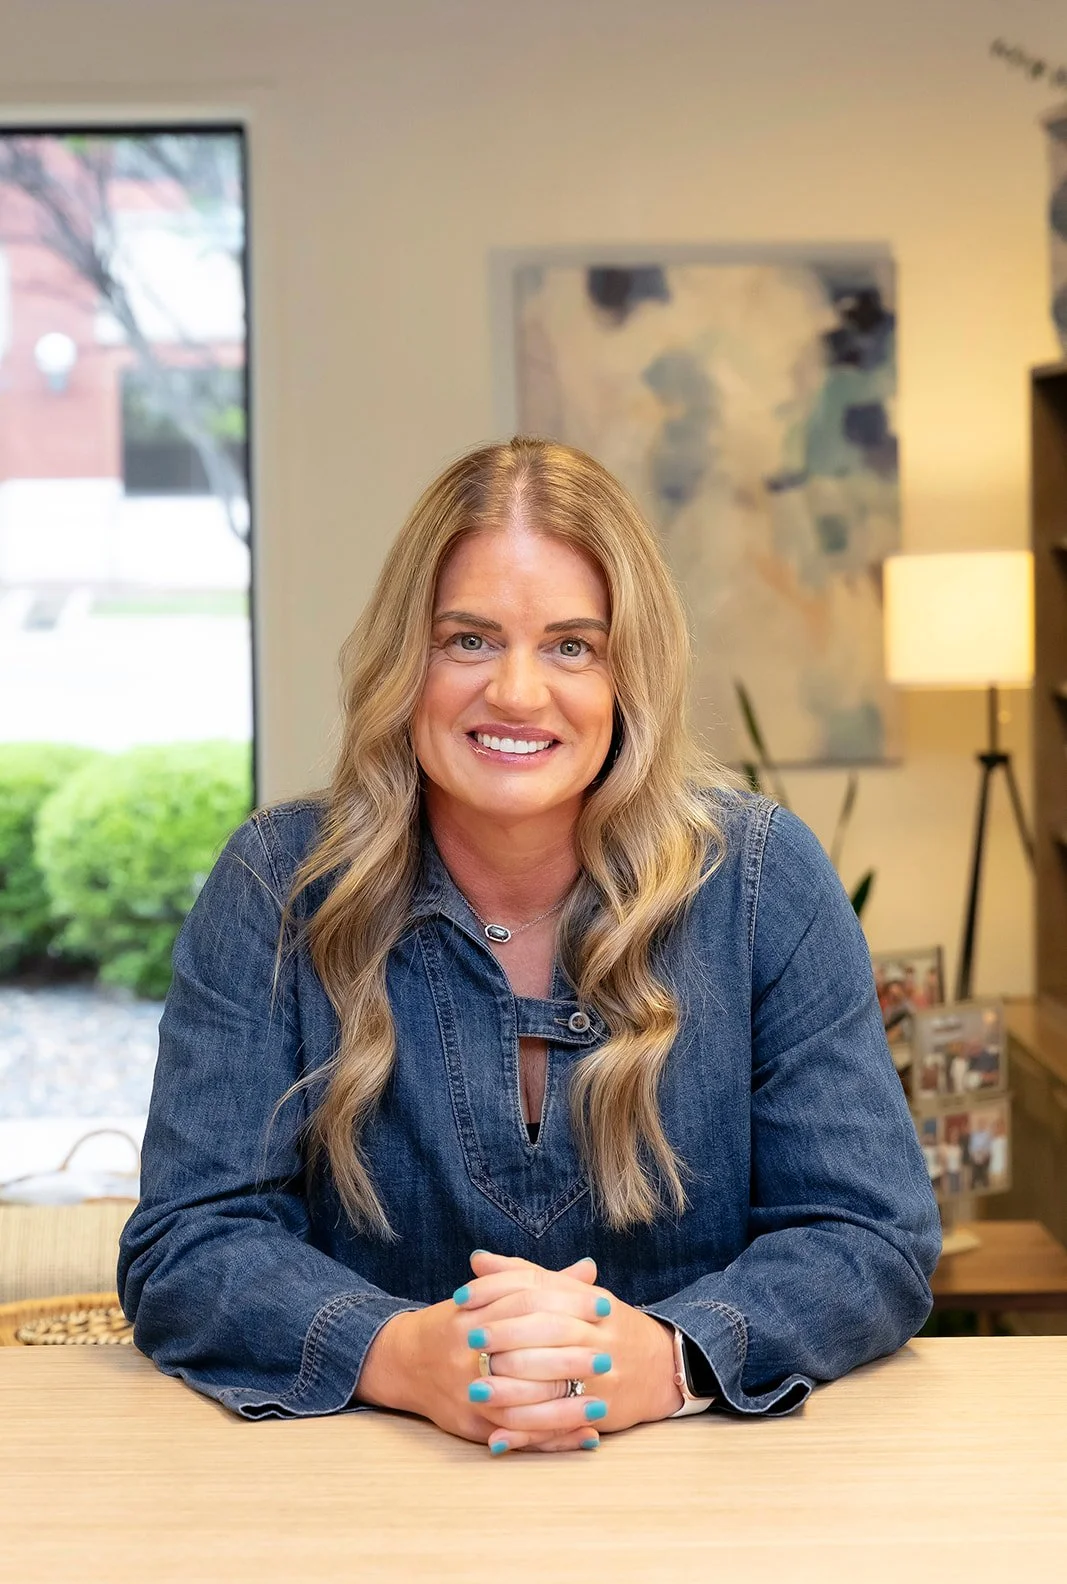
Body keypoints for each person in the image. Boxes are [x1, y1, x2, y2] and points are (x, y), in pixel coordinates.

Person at [118, 437, 941, 1455]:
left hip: (706, 1487)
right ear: (405, 660)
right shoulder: (275, 884)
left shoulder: (761, 880)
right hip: (364, 1488)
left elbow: (870, 1234)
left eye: (571, 646)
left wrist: (665, 1360)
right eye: (468, 639)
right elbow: (187, 1241)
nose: (515, 691)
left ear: (630, 674)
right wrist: (399, 1354)